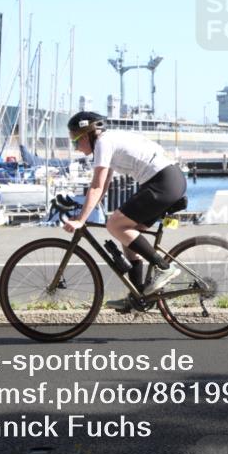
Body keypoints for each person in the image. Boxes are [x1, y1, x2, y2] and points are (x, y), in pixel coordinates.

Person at [62, 111, 187, 311]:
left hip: (162, 181)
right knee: (127, 233)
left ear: (86, 135)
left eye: (75, 142)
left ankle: (164, 267)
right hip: (168, 180)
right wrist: (82, 214)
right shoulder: (107, 142)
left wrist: (81, 220)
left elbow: (95, 186)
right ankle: (138, 296)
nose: (76, 148)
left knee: (114, 224)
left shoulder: (103, 142)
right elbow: (102, 187)